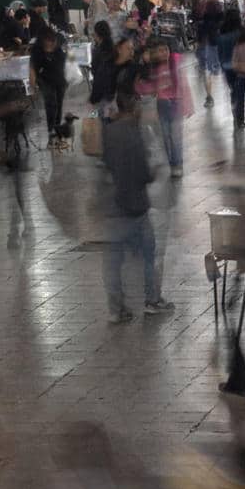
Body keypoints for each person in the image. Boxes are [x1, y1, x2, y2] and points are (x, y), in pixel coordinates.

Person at [100, 90, 172, 324]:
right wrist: (153, 174)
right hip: (135, 207)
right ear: (133, 107)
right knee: (149, 255)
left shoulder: (108, 130)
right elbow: (143, 172)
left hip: (112, 205)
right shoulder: (136, 133)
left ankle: (115, 309)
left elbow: (107, 163)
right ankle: (151, 300)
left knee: (112, 262)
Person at [137, 37, 192, 175]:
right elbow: (151, 87)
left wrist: (188, 104)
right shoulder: (154, 68)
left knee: (176, 136)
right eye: (160, 51)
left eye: (166, 49)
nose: (164, 53)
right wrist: (139, 87)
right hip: (162, 105)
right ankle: (172, 162)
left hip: (176, 103)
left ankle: (177, 164)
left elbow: (184, 85)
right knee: (166, 136)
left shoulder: (176, 62)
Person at [31, 29, 72, 149]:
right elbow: (32, 69)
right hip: (45, 81)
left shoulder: (59, 47)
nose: (51, 44)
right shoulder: (37, 51)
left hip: (60, 80)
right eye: (48, 41)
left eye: (53, 41)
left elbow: (70, 59)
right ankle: (51, 134)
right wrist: (32, 87)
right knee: (51, 105)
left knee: (58, 107)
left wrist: (71, 74)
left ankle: (57, 135)